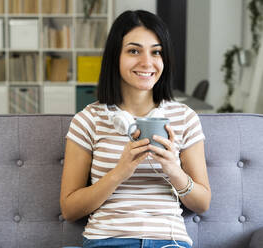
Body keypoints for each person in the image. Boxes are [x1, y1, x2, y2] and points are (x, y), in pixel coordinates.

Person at [60, 10, 211, 248]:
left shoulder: (185, 118)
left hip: (169, 242)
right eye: (133, 51)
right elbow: (69, 210)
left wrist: (174, 170)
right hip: (107, 241)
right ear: (115, 56)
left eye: (156, 52)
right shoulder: (88, 120)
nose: (146, 62)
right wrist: (119, 172)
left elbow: (202, 203)